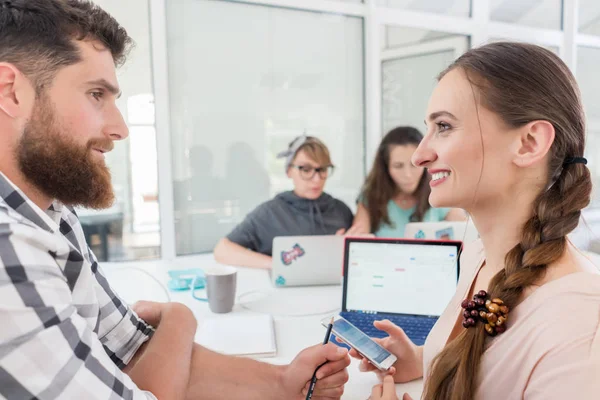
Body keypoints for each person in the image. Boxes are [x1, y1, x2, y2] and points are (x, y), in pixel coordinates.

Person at [0, 1, 350, 399]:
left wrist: (280, 381)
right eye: (96, 94)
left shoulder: (53, 213)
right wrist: (181, 320)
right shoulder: (7, 242)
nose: (120, 128)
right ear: (11, 92)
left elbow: (132, 350)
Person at [355, 42, 600, 400]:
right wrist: (424, 360)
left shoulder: (582, 328)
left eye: (443, 126)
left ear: (529, 142)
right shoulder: (477, 256)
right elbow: (486, 364)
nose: (422, 155)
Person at [214, 135, 353, 269]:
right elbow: (223, 250)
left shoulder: (341, 211)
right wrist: (278, 265)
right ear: (289, 171)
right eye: (306, 169)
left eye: (322, 169)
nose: (317, 179)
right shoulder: (269, 213)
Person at [348, 126, 465, 237]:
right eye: (398, 166)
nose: (407, 175)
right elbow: (357, 241)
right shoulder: (370, 198)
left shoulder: (441, 194)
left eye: (414, 165)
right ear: (385, 167)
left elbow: (467, 235)